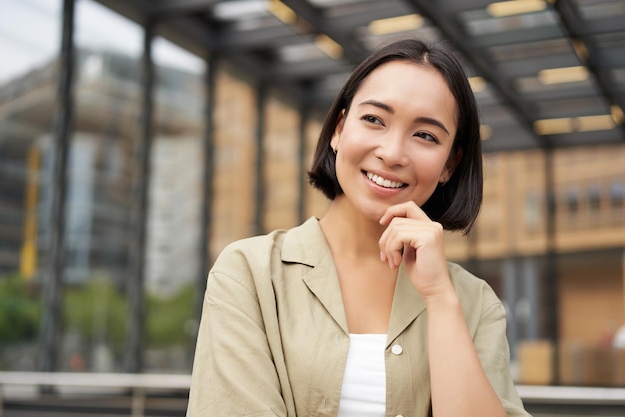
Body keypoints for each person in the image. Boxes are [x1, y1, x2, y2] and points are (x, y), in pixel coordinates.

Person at [187, 38, 531, 417]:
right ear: (338, 129)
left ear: (450, 164)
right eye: (374, 120)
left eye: (425, 136)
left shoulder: (475, 304)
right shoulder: (250, 274)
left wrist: (439, 299)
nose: (392, 153)